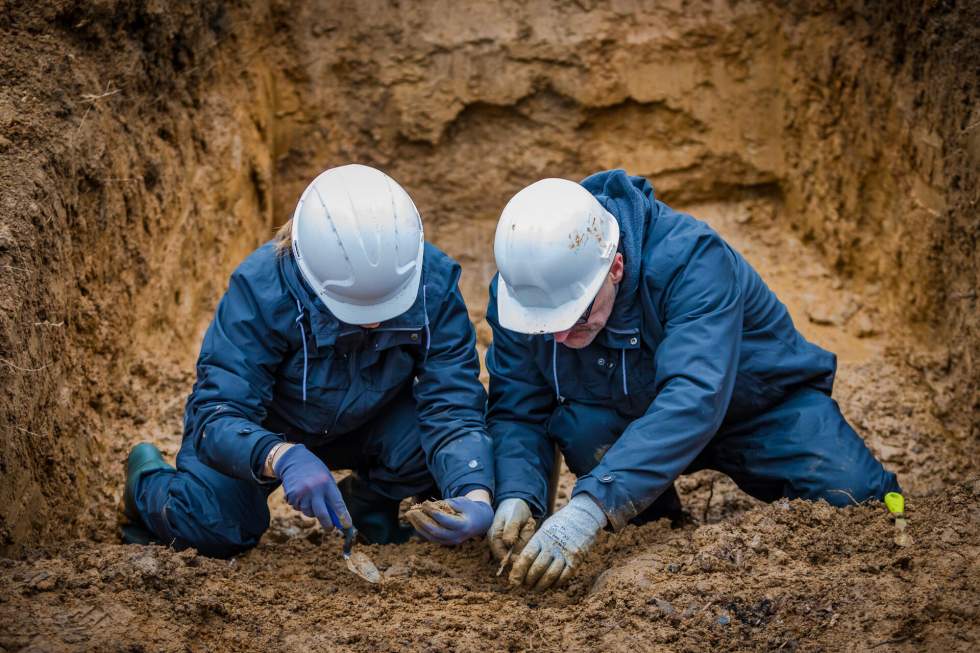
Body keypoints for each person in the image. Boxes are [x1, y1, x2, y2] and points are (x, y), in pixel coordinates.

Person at [485, 170, 901, 590]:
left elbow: (694, 395)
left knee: (860, 500)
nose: (559, 337)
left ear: (615, 267)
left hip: (755, 408)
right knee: (582, 426)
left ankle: (617, 499)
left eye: (575, 317)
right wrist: (518, 493)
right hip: (626, 417)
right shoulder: (526, 293)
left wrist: (590, 507)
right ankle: (654, 531)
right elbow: (519, 408)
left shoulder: (692, 260)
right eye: (546, 324)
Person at [120, 164, 494, 558]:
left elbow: (453, 406)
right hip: (266, 426)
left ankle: (368, 503)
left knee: (468, 464)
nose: (375, 320)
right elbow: (216, 415)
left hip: (373, 420)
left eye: (386, 305)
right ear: (309, 272)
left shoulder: (431, 284)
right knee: (213, 525)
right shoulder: (261, 290)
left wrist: (475, 494)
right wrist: (280, 456)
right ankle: (145, 482)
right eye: (355, 308)